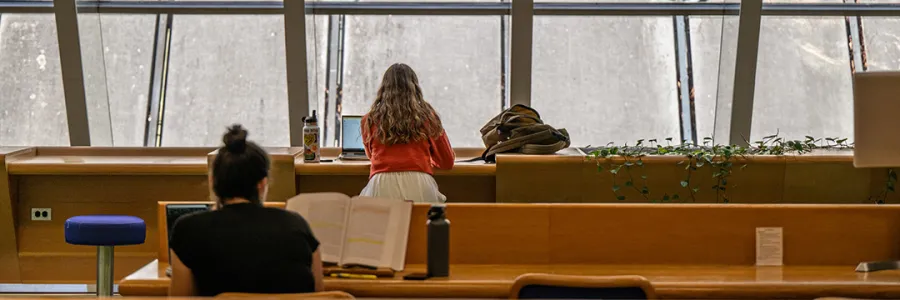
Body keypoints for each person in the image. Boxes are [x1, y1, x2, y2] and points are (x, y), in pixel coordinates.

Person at [169, 125, 324, 296]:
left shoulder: (188, 230)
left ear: (213, 182)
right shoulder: (297, 226)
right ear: (262, 184)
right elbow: (318, 294)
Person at [360, 63, 455, 203]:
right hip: (419, 184)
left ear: (384, 88)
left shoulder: (369, 119)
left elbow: (371, 155)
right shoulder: (428, 116)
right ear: (415, 87)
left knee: (381, 224)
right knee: (421, 224)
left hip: (381, 184)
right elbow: (447, 161)